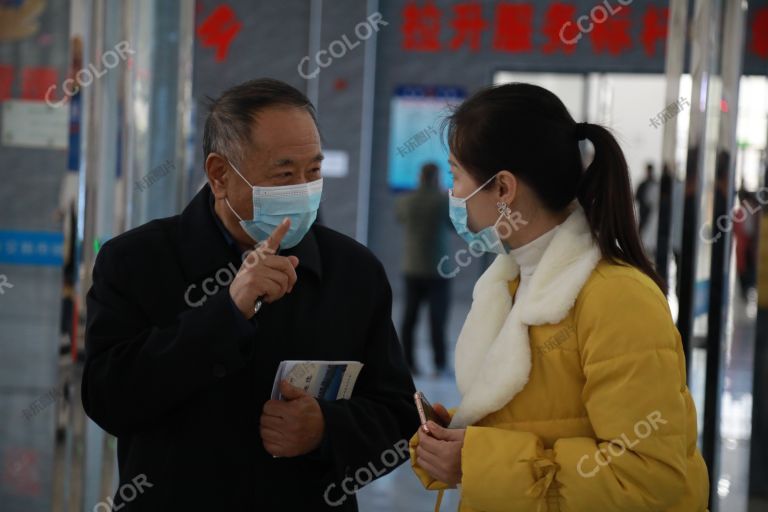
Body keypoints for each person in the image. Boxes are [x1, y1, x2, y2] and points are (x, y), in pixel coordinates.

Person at [82, 78, 419, 511]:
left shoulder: (352, 272)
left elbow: (398, 414)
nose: (303, 187)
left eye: (313, 171)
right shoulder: (136, 260)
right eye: (283, 173)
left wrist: (327, 429)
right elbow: (108, 399)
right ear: (220, 175)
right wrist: (228, 311)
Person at [408, 83, 709, 511]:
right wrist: (462, 433)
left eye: (456, 176)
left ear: (503, 189)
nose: (452, 195)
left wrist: (476, 460)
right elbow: (548, 414)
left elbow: (646, 480)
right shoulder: (509, 281)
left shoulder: (618, 299)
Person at [395, 163, 451, 376]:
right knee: (437, 319)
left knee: (409, 318)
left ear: (419, 177)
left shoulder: (406, 201)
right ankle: (439, 365)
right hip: (439, 269)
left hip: (412, 267)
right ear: (437, 178)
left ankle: (408, 364)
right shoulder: (443, 201)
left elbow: (399, 217)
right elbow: (455, 225)